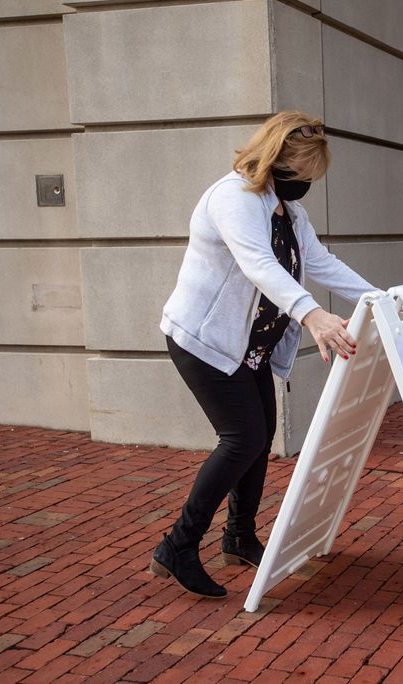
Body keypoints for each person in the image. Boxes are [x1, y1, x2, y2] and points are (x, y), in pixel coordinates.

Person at [152, 111, 378, 598]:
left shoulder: (287, 211)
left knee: (260, 436)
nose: (304, 186)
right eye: (299, 175)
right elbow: (259, 265)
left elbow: (320, 262)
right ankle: (178, 546)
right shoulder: (234, 199)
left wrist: (379, 300)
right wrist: (313, 316)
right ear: (275, 160)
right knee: (242, 437)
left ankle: (238, 537)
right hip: (205, 341)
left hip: (248, 346)